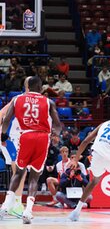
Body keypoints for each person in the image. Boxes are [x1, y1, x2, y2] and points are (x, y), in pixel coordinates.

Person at [0, 76, 62, 224]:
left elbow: (6, 119)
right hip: (42, 138)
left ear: (27, 86)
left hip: (26, 135)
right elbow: (58, 125)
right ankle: (28, 211)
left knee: (19, 172)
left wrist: (3, 137)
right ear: (41, 88)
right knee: (35, 176)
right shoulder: (49, 102)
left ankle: (6, 206)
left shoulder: (17, 99)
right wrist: (56, 135)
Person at [68, 107, 110, 221]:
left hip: (96, 155)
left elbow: (86, 141)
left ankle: (76, 211)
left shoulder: (104, 123)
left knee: (94, 181)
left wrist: (76, 159)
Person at [0, 77, 31, 218]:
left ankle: (13, 203)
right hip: (11, 136)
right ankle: (16, 204)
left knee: (19, 171)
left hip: (21, 138)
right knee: (19, 169)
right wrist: (3, 134)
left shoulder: (36, 100)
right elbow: (1, 114)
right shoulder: (18, 98)